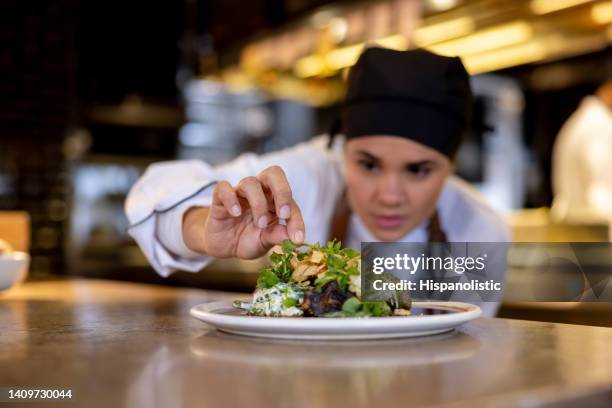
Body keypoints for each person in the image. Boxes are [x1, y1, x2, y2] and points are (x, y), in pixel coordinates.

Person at [125, 47, 510, 315]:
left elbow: (465, 357)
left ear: (451, 165)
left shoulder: (482, 232)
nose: (390, 196)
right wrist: (203, 229)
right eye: (369, 165)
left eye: (418, 170)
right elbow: (157, 190)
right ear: (342, 150)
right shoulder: (309, 176)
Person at [552, 79, 612, 230]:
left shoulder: (580, 121)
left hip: (577, 223)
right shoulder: (599, 125)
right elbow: (600, 189)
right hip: (594, 227)